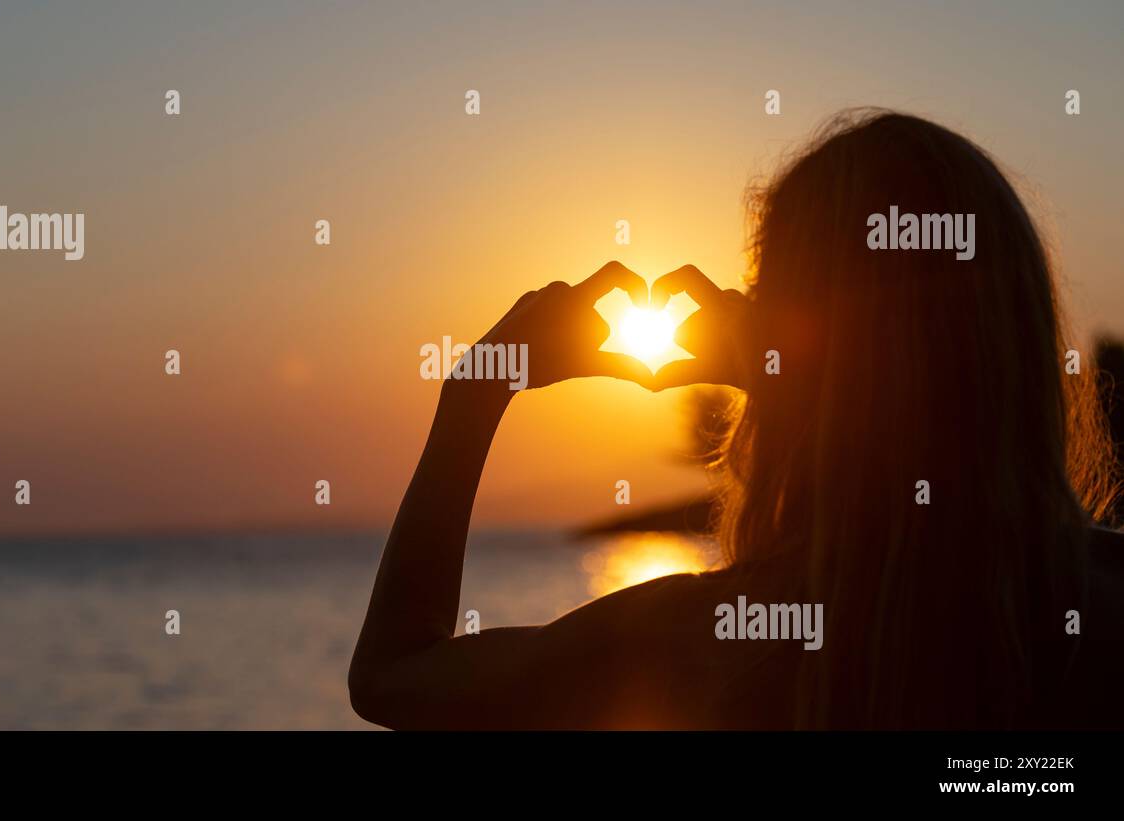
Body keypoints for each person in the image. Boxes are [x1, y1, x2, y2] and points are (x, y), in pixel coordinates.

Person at [348, 110, 1124, 729]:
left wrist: (477, 391)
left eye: (765, 284)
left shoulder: (708, 641)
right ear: (1016, 335)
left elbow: (393, 676)